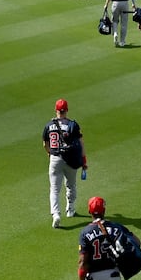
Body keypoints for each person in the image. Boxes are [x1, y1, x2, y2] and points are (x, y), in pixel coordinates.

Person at [43, 98, 86, 228]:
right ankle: (70, 209)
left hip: (55, 159)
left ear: (56, 110)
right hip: (70, 159)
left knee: (54, 189)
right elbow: (81, 144)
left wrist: (50, 153)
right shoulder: (73, 125)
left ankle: (56, 214)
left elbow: (45, 144)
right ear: (66, 110)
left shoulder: (48, 125)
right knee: (71, 185)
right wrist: (84, 160)